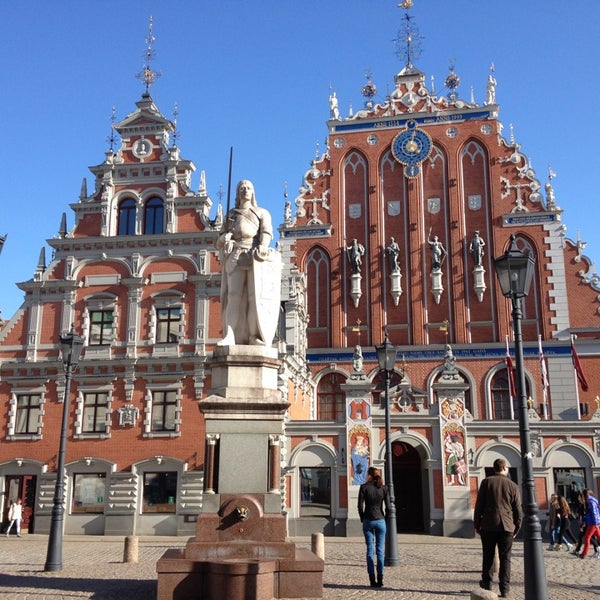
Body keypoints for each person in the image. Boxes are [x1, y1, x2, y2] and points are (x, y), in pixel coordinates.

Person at [215, 180, 275, 346]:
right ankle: (230, 335)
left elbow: (266, 232)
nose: (245, 190)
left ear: (253, 192)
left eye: (248, 188)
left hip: (255, 256)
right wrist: (224, 238)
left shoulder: (261, 212)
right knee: (233, 297)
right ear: (237, 193)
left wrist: (263, 246)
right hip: (236, 255)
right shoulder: (231, 215)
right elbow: (218, 241)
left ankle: (254, 335)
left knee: (254, 298)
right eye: (242, 188)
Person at [474, 458, 522, 599]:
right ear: (505, 468)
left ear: (494, 468)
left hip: (488, 525)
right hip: (507, 526)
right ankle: (505, 589)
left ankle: (487, 585)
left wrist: (477, 524)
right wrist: (517, 527)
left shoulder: (486, 482)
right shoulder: (513, 485)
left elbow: (479, 505)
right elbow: (518, 510)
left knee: (488, 556)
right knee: (506, 558)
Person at [357, 466, 390, 588]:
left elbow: (360, 506)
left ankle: (372, 579)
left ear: (369, 475)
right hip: (380, 520)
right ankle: (380, 579)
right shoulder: (384, 488)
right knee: (380, 551)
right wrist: (384, 519)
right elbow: (388, 507)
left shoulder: (364, 487)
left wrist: (363, 518)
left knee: (370, 551)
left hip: (368, 520)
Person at [579, 488, 600, 559]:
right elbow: (590, 513)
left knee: (587, 537)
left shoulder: (590, 502)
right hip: (595, 522)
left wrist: (594, 523)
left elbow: (593, 513)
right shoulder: (594, 501)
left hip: (593, 523)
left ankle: (583, 554)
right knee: (598, 537)